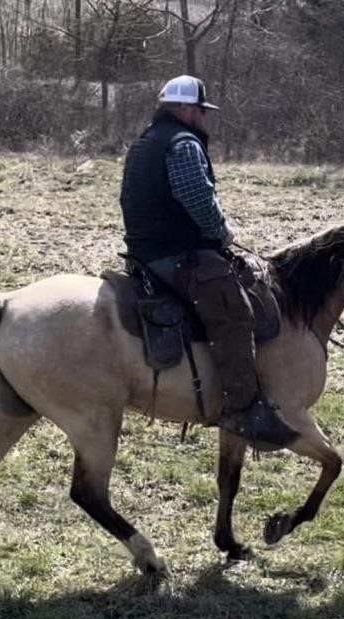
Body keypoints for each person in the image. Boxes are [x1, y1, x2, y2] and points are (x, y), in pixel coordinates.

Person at [119, 75, 297, 450]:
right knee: (235, 310)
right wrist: (221, 232)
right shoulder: (183, 144)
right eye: (202, 110)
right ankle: (244, 409)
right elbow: (197, 199)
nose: (205, 118)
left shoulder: (144, 142)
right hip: (178, 253)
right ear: (184, 109)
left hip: (145, 253)